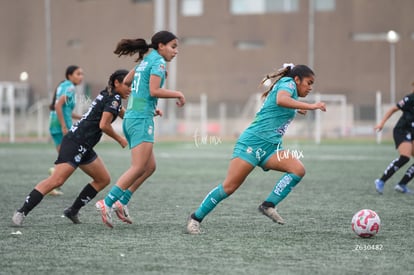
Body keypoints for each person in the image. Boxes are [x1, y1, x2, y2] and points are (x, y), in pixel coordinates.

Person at [186, 64, 327, 234]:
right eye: (309, 83)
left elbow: (278, 106)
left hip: (272, 148)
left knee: (297, 170)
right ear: (297, 79)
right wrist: (310, 106)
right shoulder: (288, 83)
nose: (310, 87)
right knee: (229, 187)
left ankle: (268, 205)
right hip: (252, 144)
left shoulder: (291, 90)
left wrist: (297, 107)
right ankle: (195, 218)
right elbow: (281, 100)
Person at [12, 69, 130, 226]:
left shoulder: (110, 94)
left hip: (84, 144)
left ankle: (72, 211)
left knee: (103, 179)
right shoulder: (113, 97)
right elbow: (104, 125)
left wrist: (146, 115)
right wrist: (120, 139)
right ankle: (22, 211)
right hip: (76, 142)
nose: (131, 89)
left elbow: (123, 114)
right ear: (117, 83)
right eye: (128, 85)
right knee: (56, 180)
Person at [95, 30, 185, 228]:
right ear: (160, 46)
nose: (176, 51)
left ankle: (122, 201)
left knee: (149, 167)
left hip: (133, 117)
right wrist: (178, 93)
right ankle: (107, 202)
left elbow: (127, 82)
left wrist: (146, 106)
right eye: (173, 46)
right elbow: (154, 90)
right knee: (137, 168)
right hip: (140, 120)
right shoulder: (158, 62)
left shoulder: (146, 60)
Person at [48, 65, 84, 195]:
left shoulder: (63, 85)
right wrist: (64, 126)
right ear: (69, 75)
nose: (81, 77)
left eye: (82, 74)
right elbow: (58, 105)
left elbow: (65, 110)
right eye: (78, 74)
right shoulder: (70, 87)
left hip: (53, 124)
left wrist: (80, 117)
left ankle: (53, 183)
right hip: (61, 126)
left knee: (63, 156)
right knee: (69, 156)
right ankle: (53, 178)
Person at [374, 82, 414, 194]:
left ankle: (402, 185)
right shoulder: (409, 99)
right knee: (405, 157)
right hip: (402, 130)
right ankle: (381, 181)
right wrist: (381, 123)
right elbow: (392, 110)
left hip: (412, 131)